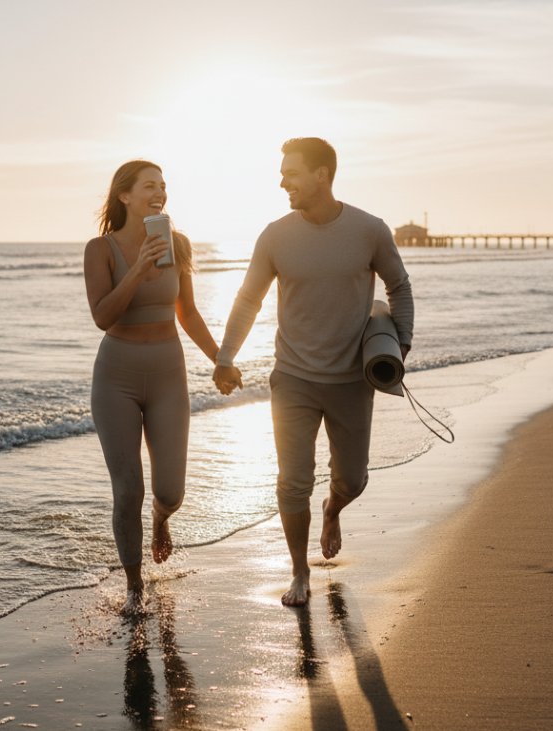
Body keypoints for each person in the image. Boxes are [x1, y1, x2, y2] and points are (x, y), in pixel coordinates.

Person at [212, 138, 414, 607]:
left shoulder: (369, 230)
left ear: (322, 175)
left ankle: (333, 508)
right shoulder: (275, 235)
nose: (283, 181)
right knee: (292, 482)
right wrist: (226, 356)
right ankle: (299, 572)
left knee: (353, 480)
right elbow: (248, 299)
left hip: (350, 381)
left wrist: (401, 342)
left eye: (292, 172)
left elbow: (398, 285)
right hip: (294, 379)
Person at [84, 160, 221, 615]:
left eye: (164, 186)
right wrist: (137, 271)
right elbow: (103, 315)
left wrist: (221, 360)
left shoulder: (177, 245)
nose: (160, 192)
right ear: (125, 195)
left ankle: (162, 521)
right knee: (127, 491)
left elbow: (188, 313)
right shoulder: (99, 249)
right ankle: (134, 585)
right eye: (150, 186)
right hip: (116, 376)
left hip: (167, 372)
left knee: (170, 492)